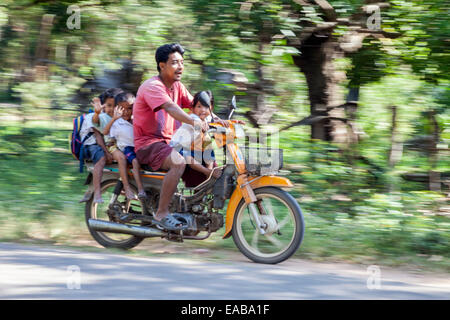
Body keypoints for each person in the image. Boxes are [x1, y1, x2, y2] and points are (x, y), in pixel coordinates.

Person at [133, 43, 210, 231]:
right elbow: (171, 108)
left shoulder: (178, 87)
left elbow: (198, 107)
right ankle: (162, 213)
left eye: (182, 63)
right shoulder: (152, 86)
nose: (181, 67)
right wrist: (195, 123)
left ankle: (192, 210)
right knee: (179, 162)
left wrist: (221, 121)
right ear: (162, 65)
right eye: (175, 63)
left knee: (206, 157)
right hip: (148, 144)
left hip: (169, 142)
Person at [91, 88, 139, 200]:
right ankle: (127, 188)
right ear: (104, 106)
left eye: (115, 106)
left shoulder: (126, 117)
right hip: (112, 145)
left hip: (124, 144)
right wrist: (97, 113)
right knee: (122, 159)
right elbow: (96, 124)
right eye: (109, 105)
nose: (112, 109)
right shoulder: (104, 117)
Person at [170, 90, 222, 187]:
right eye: (199, 106)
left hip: (195, 147)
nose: (203, 110)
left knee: (209, 149)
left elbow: (214, 120)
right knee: (191, 156)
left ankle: (207, 181)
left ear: (211, 108)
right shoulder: (194, 118)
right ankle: (208, 172)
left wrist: (225, 123)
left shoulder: (206, 118)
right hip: (179, 148)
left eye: (206, 106)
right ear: (193, 108)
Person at [108, 92, 147, 199]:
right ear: (117, 109)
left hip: (138, 147)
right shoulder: (117, 123)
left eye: (129, 108)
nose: (126, 112)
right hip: (126, 149)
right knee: (133, 161)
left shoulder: (137, 120)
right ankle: (138, 188)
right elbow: (109, 136)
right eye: (122, 109)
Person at [78, 103, 112, 204]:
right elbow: (98, 138)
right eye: (106, 106)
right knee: (102, 158)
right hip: (89, 145)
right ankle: (97, 194)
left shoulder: (106, 118)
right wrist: (107, 152)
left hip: (97, 143)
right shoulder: (92, 117)